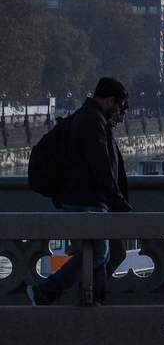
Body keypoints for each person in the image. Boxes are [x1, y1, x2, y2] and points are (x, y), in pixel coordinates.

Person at [27, 77, 133, 306]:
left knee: (102, 254)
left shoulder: (89, 117)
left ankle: (93, 304)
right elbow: (100, 165)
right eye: (120, 106)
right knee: (98, 253)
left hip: (88, 199)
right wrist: (117, 201)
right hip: (86, 200)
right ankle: (45, 292)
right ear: (110, 100)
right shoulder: (92, 120)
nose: (120, 112)